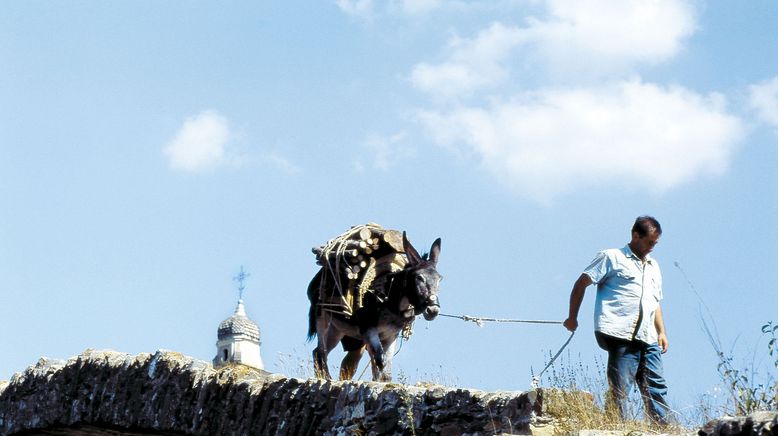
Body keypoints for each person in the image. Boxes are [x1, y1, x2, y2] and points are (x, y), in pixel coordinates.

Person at [563, 216, 670, 424]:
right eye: (649, 242)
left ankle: (662, 429)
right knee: (621, 388)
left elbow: (654, 302)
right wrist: (572, 317)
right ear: (635, 235)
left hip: (648, 336)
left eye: (655, 244)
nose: (652, 248)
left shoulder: (653, 266)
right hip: (620, 332)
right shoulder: (611, 257)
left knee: (656, 386)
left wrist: (662, 332)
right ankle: (615, 426)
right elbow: (581, 283)